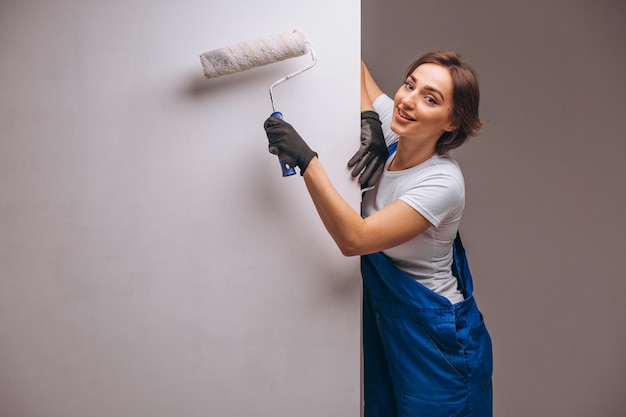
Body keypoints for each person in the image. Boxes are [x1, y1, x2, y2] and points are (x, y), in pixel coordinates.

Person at [264, 50, 493, 417]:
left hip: (437, 340)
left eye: (430, 98)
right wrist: (369, 117)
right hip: (391, 322)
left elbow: (354, 239)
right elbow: (351, 62)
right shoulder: (395, 122)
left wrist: (307, 160)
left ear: (451, 122)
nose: (408, 101)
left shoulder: (442, 182)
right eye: (409, 84)